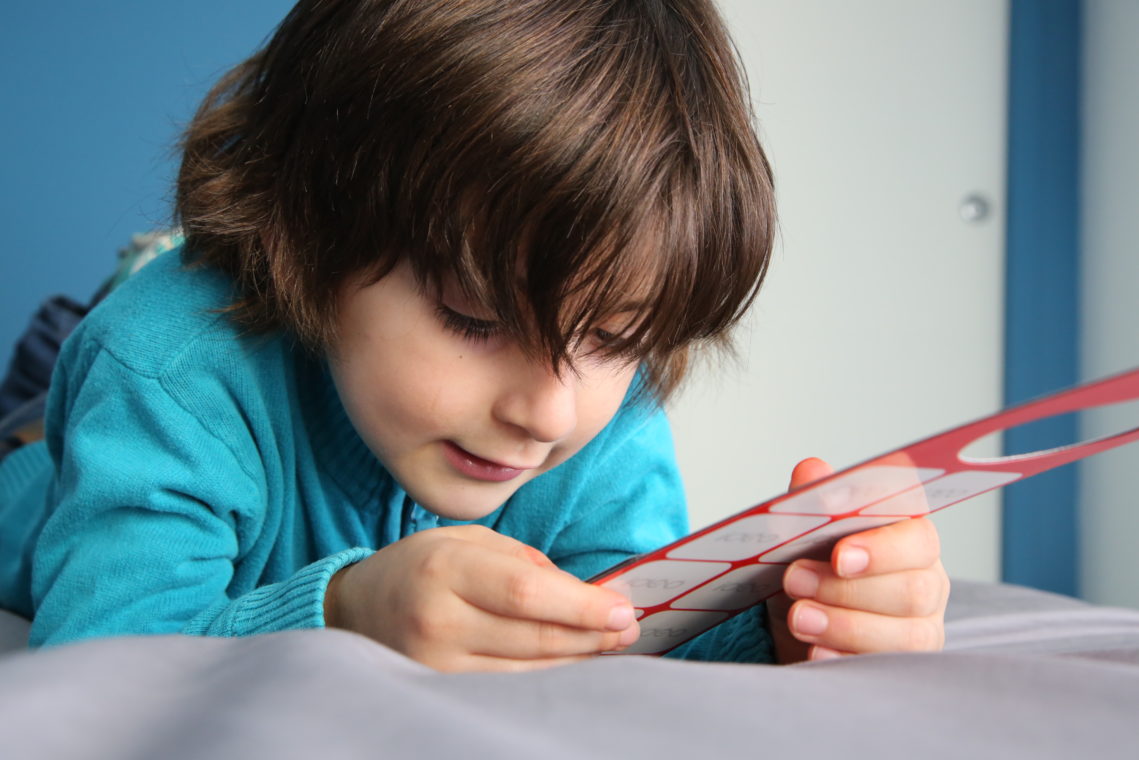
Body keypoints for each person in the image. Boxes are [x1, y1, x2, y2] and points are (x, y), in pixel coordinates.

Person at [0, 0, 948, 671]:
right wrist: (344, 615)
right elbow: (107, 666)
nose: (546, 410)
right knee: (66, 402)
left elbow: (621, 624)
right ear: (311, 231)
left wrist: (797, 616)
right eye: (477, 320)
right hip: (88, 418)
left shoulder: (591, 410)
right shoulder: (165, 374)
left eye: (614, 339)